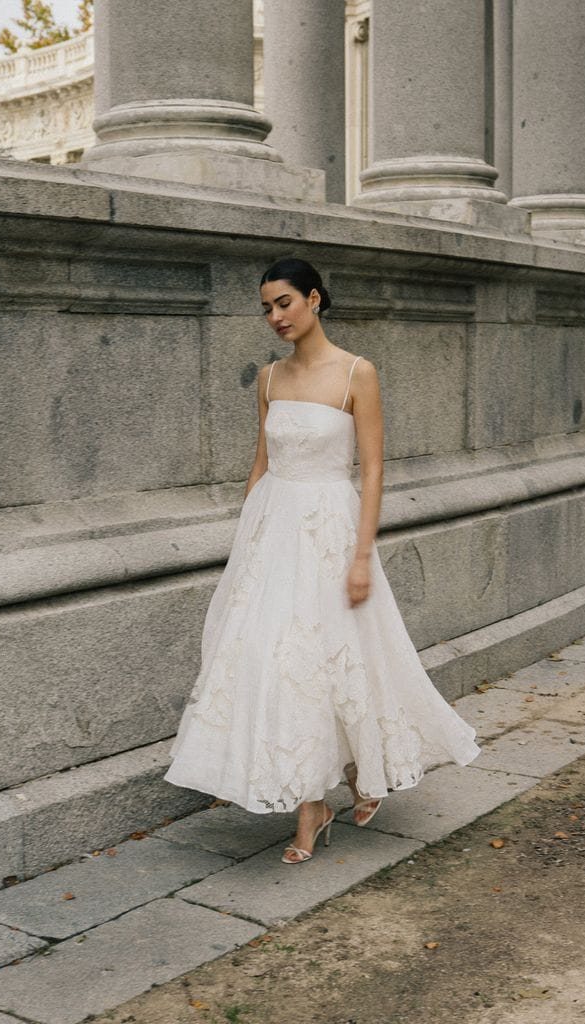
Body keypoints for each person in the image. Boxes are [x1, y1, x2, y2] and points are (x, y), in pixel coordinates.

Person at [165, 257, 480, 864]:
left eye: (283, 303)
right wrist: (246, 542)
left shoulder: (357, 372)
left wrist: (361, 556)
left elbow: (376, 467)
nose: (274, 316)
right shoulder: (268, 378)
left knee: (342, 653)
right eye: (265, 307)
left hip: (332, 527)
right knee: (276, 656)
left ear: (314, 299)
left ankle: (361, 767)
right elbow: (261, 461)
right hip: (273, 528)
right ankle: (312, 801)